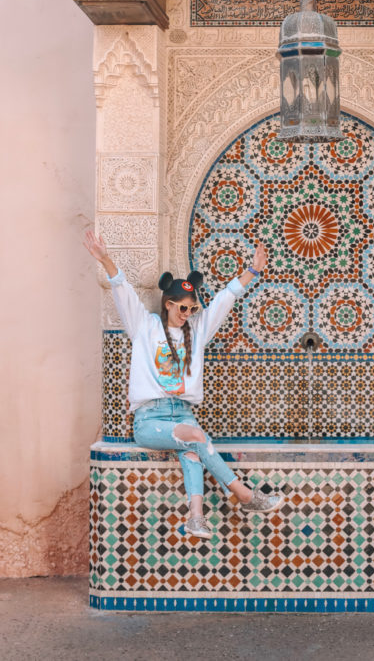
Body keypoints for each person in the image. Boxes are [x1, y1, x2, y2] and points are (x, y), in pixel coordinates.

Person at [84, 230, 283, 539]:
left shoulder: (198, 329)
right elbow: (122, 290)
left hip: (184, 414)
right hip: (150, 420)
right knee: (195, 436)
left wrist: (253, 271)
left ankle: (196, 518)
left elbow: (225, 299)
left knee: (192, 450)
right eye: (182, 308)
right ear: (168, 304)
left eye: (192, 309)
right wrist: (104, 259)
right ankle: (245, 496)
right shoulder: (144, 327)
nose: (187, 314)